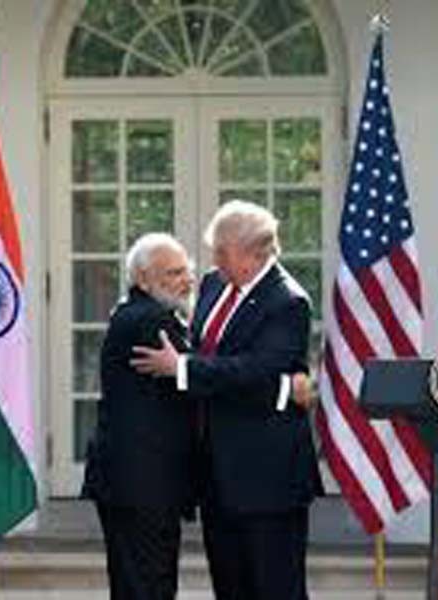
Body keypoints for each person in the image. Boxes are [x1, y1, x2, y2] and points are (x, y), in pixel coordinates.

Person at [131, 201, 322, 600]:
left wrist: (181, 368)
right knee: (230, 587)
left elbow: (252, 369)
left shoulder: (287, 302)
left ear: (255, 253)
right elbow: (207, 349)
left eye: (221, 250)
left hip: (266, 479)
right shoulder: (218, 284)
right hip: (217, 475)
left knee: (274, 588)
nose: (212, 260)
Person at [81, 233, 196, 600]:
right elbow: (202, 376)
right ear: (143, 280)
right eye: (174, 273)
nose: (187, 280)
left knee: (145, 584)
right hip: (141, 483)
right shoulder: (150, 319)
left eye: (187, 270)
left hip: (138, 482)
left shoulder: (138, 312)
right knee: (146, 586)